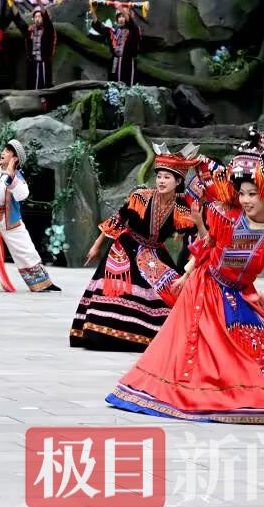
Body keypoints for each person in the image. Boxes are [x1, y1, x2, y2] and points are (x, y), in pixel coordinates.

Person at [107, 130, 264, 424]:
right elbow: (209, 243)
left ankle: (239, 395)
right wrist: (187, 273)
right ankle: (190, 392)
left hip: (242, 296)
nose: (245, 200)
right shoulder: (226, 215)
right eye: (243, 193)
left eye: (253, 194)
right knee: (200, 347)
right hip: (206, 285)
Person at [69, 145, 201, 352]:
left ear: (178, 182)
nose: (161, 181)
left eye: (167, 177)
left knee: (171, 289)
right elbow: (119, 218)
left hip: (155, 252)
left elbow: (196, 234)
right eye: (159, 176)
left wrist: (197, 245)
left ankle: (149, 338)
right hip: (126, 247)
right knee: (119, 289)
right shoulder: (141, 196)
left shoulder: (182, 207)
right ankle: (102, 336)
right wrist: (97, 245)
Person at [0, 139, 60, 293]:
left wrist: (11, 175)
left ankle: (41, 282)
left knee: (24, 248)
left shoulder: (17, 178)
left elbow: (22, 195)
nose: (3, 153)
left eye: (8, 152)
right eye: (4, 150)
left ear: (15, 159)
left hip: (9, 220)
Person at [91, 4, 141, 85]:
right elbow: (99, 27)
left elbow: (131, 23)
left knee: (127, 86)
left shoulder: (134, 30)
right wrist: (93, 11)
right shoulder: (114, 31)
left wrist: (121, 9)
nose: (121, 19)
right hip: (114, 62)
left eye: (123, 16)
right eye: (119, 17)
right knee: (112, 84)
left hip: (128, 63)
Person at [9, 5, 55, 93]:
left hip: (43, 64)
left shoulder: (48, 30)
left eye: (40, 16)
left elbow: (47, 19)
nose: (37, 19)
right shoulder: (30, 31)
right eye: (36, 17)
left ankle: (44, 100)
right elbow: (19, 21)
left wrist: (39, 1)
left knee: (43, 87)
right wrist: (12, 5)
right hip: (33, 63)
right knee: (32, 85)